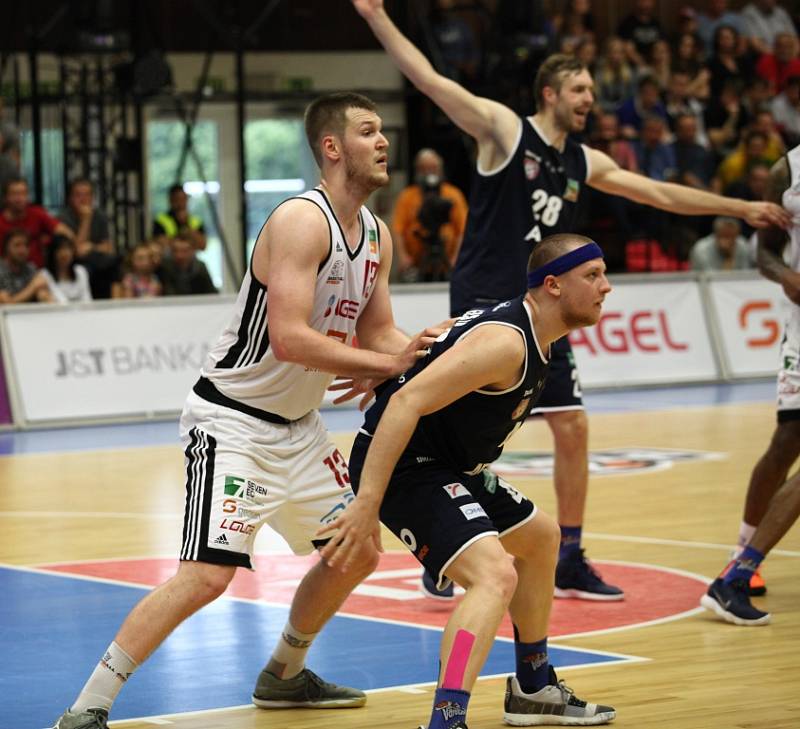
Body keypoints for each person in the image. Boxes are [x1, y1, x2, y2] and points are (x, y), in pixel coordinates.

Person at [352, 0, 790, 602]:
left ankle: (572, 556)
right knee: (448, 423)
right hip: (486, 304)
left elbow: (658, 192)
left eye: (591, 89)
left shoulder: (585, 160)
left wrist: (738, 208)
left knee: (574, 428)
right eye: (580, 89)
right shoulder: (507, 131)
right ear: (551, 93)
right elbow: (431, 81)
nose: (591, 99)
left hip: (544, 313)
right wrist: (377, 17)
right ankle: (441, 535)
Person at [52, 91, 442, 729]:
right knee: (207, 576)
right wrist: (383, 367)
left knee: (359, 548)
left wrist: (434, 355)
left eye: (383, 132)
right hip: (232, 421)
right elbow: (290, 337)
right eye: (368, 132)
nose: (384, 142)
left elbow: (381, 335)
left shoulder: (377, 235)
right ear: (332, 147)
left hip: (300, 429)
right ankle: (87, 708)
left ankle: (283, 676)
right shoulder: (300, 220)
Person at [321, 234, 616, 729]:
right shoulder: (506, 342)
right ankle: (446, 719)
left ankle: (534, 688)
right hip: (406, 465)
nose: (606, 287)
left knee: (542, 538)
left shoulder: (532, 333)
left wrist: (396, 367)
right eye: (593, 276)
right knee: (494, 576)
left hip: (457, 465)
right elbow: (405, 404)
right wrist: (368, 500)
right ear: (553, 286)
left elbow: (442, 348)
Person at [701, 149, 800, 626]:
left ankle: (738, 572)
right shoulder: (788, 170)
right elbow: (764, 252)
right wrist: (788, 277)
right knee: (785, 443)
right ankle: (740, 561)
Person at [392, 148, 468, 281]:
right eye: (424, 168)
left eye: (433, 168)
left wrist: (456, 259)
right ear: (417, 170)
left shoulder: (453, 195)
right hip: (417, 266)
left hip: (447, 263)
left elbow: (463, 230)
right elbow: (397, 230)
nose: (429, 173)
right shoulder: (407, 196)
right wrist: (403, 257)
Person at [0, 177, 74, 268]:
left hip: (39, 271)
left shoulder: (36, 213)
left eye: (23, 193)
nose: (19, 199)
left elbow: (65, 233)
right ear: (5, 197)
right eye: (15, 194)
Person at [0, 228, 52, 304]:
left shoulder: (30, 268)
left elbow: (43, 295)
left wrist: (43, 294)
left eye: (26, 245)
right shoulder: (1, 269)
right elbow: (6, 303)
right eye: (17, 245)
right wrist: (32, 288)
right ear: (6, 248)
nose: (22, 250)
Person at [152, 183, 207, 251]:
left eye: (183, 199)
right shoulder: (161, 220)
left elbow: (202, 245)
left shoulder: (196, 221)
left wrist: (186, 226)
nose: (180, 203)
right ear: (170, 200)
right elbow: (159, 244)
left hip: (191, 260)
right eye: (177, 199)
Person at [41, 235, 93, 303]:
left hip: (83, 312)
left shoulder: (80, 271)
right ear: (53, 253)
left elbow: (87, 299)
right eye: (60, 249)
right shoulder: (45, 275)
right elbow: (60, 303)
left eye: (68, 249)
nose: (65, 253)